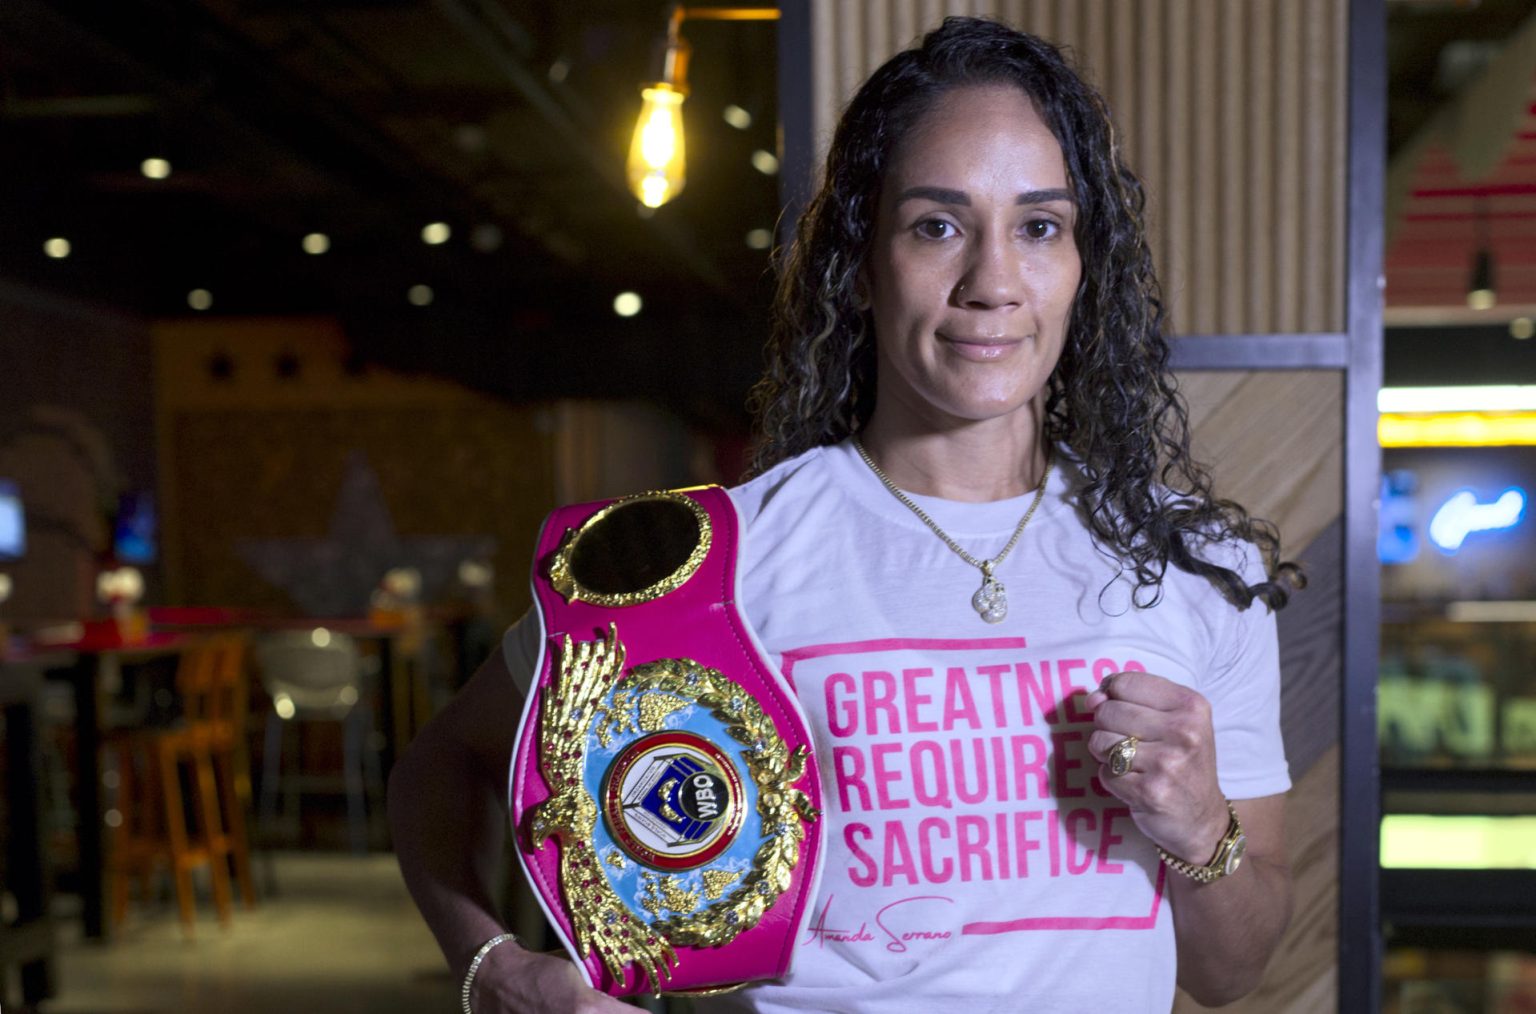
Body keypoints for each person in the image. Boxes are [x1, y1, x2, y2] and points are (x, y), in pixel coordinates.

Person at [389, 16, 1301, 1013]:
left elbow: (1228, 975)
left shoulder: (1192, 567)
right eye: (937, 225)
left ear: (1086, 266)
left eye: (1039, 226)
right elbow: (446, 761)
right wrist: (496, 970)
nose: (994, 282)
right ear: (861, 265)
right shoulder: (718, 561)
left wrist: (1203, 831)